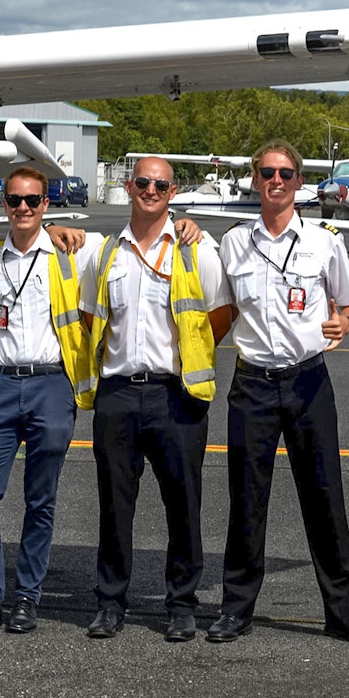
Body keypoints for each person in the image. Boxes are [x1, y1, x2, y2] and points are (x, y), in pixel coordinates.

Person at [208, 140, 349, 645]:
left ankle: (343, 611)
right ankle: (236, 609)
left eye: (285, 173)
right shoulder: (233, 244)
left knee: (325, 494)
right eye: (267, 173)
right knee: (247, 498)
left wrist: (343, 324)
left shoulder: (325, 241)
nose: (276, 181)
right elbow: (221, 314)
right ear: (255, 181)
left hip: (307, 380)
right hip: (253, 384)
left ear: (299, 182)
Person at [79, 156, 234, 642]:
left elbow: (221, 312)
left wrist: (191, 357)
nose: (150, 190)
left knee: (183, 502)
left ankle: (182, 605)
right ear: (129, 186)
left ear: (173, 191)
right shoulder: (106, 254)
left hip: (176, 394)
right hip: (119, 393)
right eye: (143, 182)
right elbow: (89, 316)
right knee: (114, 504)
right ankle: (110, 602)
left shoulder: (196, 250)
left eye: (160, 184)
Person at [0, 166, 94, 634]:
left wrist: (188, 228)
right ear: (3, 203)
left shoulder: (71, 255)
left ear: (46, 205)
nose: (23, 208)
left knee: (39, 498)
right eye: (14, 200)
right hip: (0, 387)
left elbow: (139, 239)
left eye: (32, 200)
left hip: (50, 385)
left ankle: (27, 595)